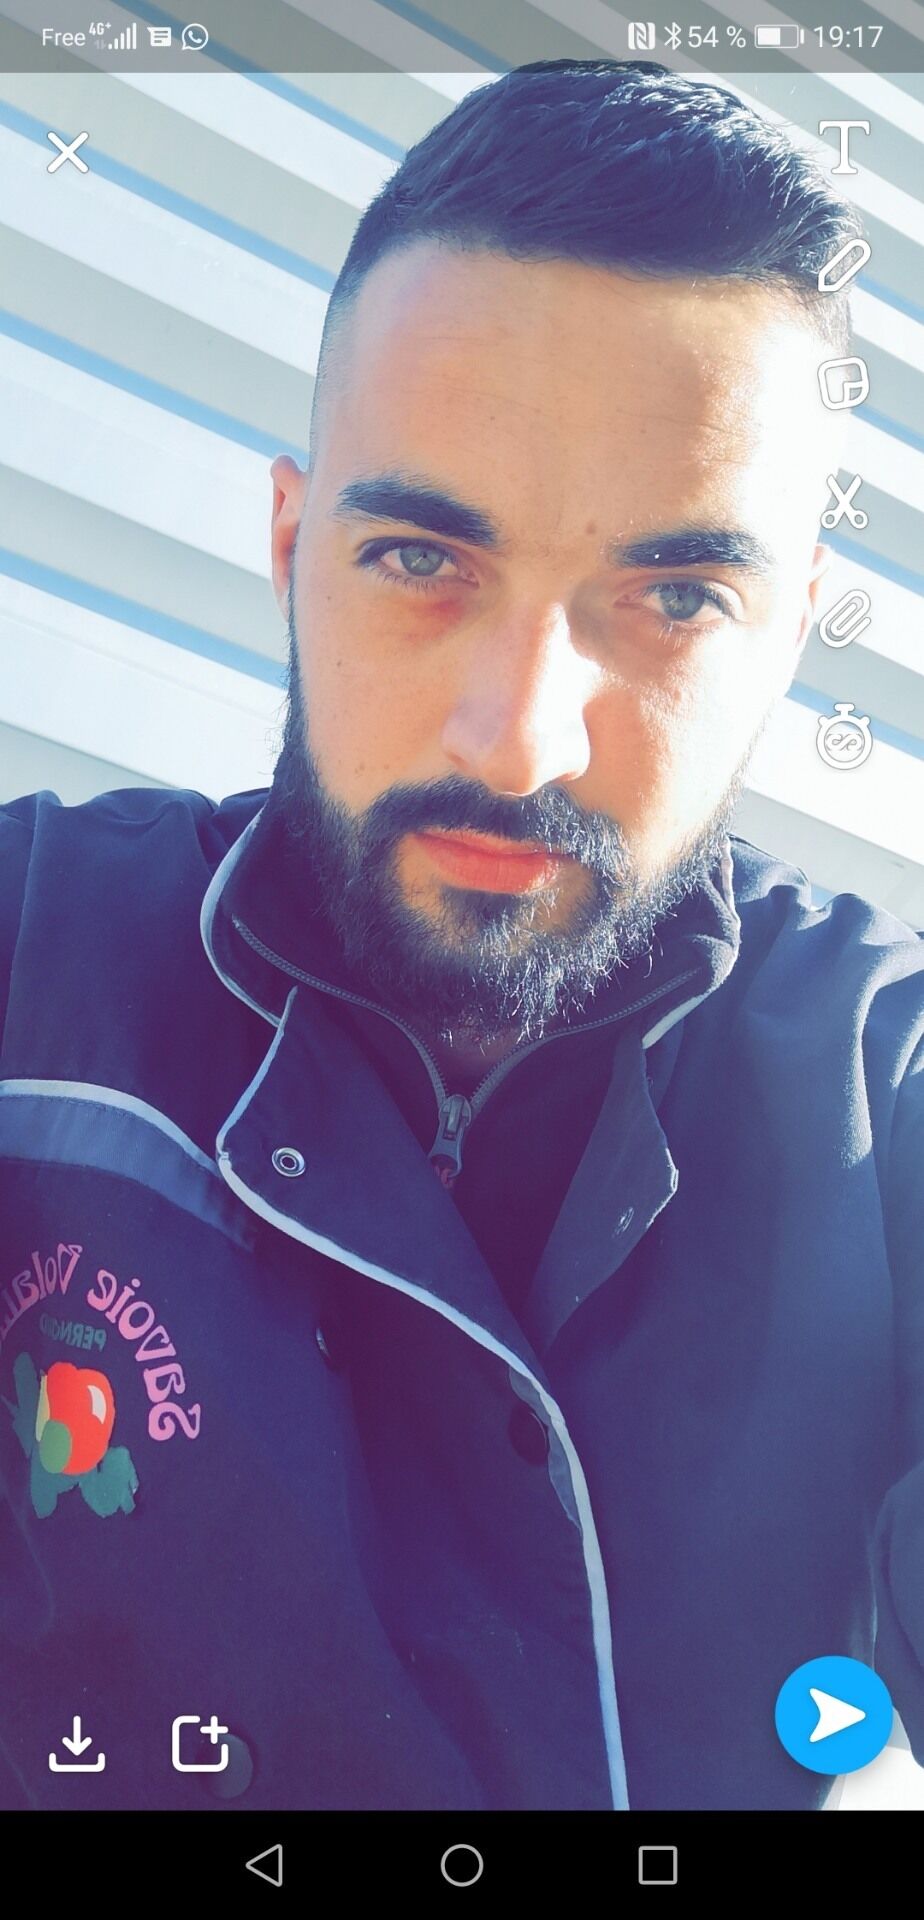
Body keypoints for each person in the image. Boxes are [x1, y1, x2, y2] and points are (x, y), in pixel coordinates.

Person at [0, 59, 921, 1814]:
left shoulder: (885, 1077)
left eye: (674, 597)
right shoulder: (30, 953)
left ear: (789, 634)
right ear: (292, 548)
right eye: (423, 560)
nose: (520, 742)